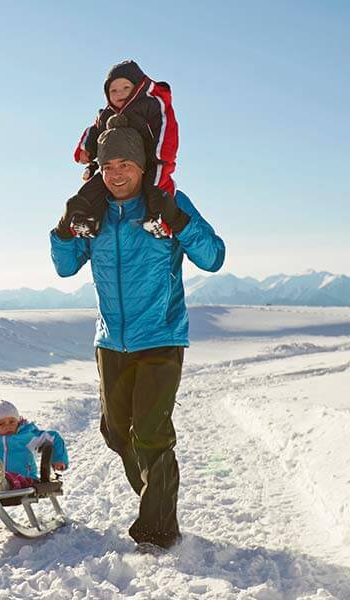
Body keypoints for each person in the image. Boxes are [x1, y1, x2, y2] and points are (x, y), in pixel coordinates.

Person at [50, 124, 225, 549]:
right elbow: (65, 266)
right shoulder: (95, 210)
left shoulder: (165, 203)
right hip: (110, 340)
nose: (116, 173)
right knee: (116, 432)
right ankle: (155, 494)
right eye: (108, 165)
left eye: (125, 164)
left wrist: (180, 221)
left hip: (160, 337)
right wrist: (64, 228)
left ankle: (158, 528)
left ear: (143, 166)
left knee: (150, 433)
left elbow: (213, 256)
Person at [67, 59, 180, 239]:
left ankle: (160, 221)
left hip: (153, 160)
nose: (119, 93)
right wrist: (85, 150)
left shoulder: (152, 104)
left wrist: (161, 156)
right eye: (113, 90)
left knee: (157, 187)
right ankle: (88, 221)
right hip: (113, 164)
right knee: (94, 188)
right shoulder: (106, 114)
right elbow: (94, 131)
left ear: (137, 87)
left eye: (125, 88)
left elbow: (166, 126)